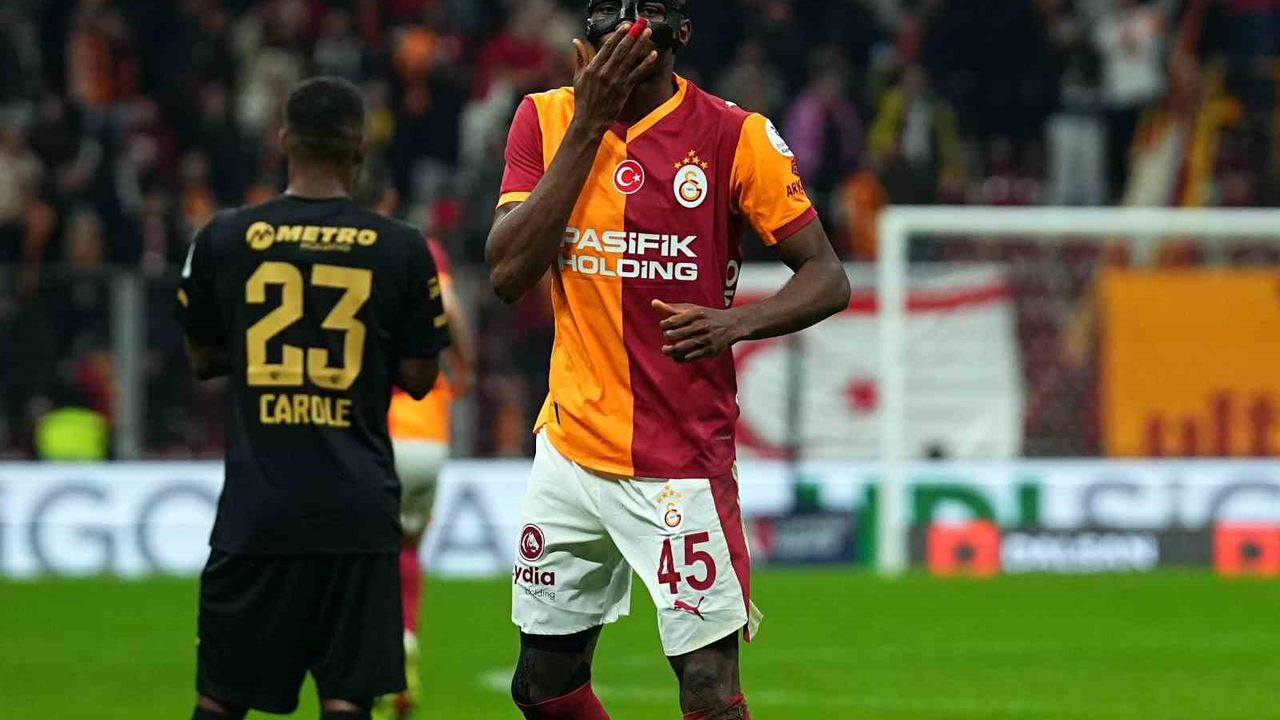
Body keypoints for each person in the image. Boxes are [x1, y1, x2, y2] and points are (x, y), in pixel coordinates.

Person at [486, 2, 851, 718]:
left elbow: (827, 276)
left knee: (709, 691)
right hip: (570, 450)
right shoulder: (545, 118)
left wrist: (735, 323)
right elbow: (506, 274)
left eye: (644, 13)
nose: (623, 27)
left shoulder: (735, 136)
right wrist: (589, 124)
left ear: (679, 34)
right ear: (583, 38)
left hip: (679, 462)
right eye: (606, 13)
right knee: (542, 686)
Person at [176, 76, 451, 720]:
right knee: (347, 701)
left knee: (220, 700)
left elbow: (203, 358)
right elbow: (419, 376)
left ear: (283, 143)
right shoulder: (400, 247)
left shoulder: (224, 237)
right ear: (359, 149)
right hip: (357, 511)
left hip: (257, 512)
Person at [358, 177, 476, 720]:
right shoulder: (420, 249)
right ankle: (405, 639)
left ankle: (374, 665)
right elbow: (449, 310)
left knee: (365, 554)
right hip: (428, 432)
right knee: (408, 546)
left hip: (370, 427)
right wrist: (466, 368)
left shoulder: (347, 248)